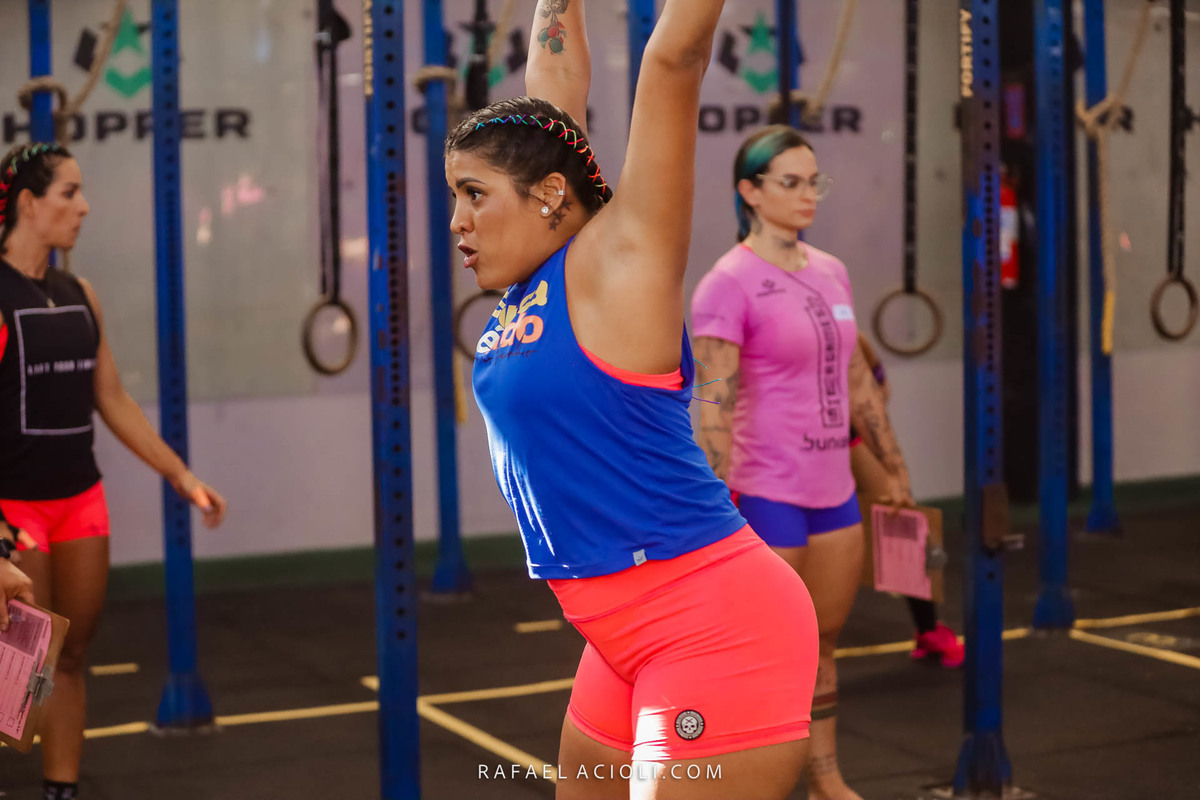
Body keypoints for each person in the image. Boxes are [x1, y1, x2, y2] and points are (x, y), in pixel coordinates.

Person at [447, 1, 817, 797]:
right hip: (617, 637)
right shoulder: (534, 279)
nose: (458, 221)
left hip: (712, 622)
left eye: (473, 193)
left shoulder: (623, 261)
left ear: (550, 195)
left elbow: (673, 59)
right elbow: (553, 71)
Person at [691, 124, 914, 800]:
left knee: (824, 643)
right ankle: (743, 784)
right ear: (750, 192)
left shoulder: (831, 271)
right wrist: (710, 500)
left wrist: (894, 467)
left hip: (833, 489)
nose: (807, 194)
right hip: (765, 491)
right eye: (790, 182)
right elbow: (714, 401)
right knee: (761, 655)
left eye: (814, 181)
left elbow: (858, 382)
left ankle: (824, 778)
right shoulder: (726, 285)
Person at [0, 142, 227, 800]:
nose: (84, 207)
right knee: (19, 661)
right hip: (15, 507)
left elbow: (112, 399)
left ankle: (61, 790)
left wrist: (180, 474)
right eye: (69, 193)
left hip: (79, 500)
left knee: (70, 655)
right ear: (28, 204)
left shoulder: (80, 295)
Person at [851, 334, 963, 668]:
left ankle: (929, 629)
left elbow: (879, 389)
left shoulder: (849, 333)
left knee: (904, 526)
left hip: (846, 440)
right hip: (788, 454)